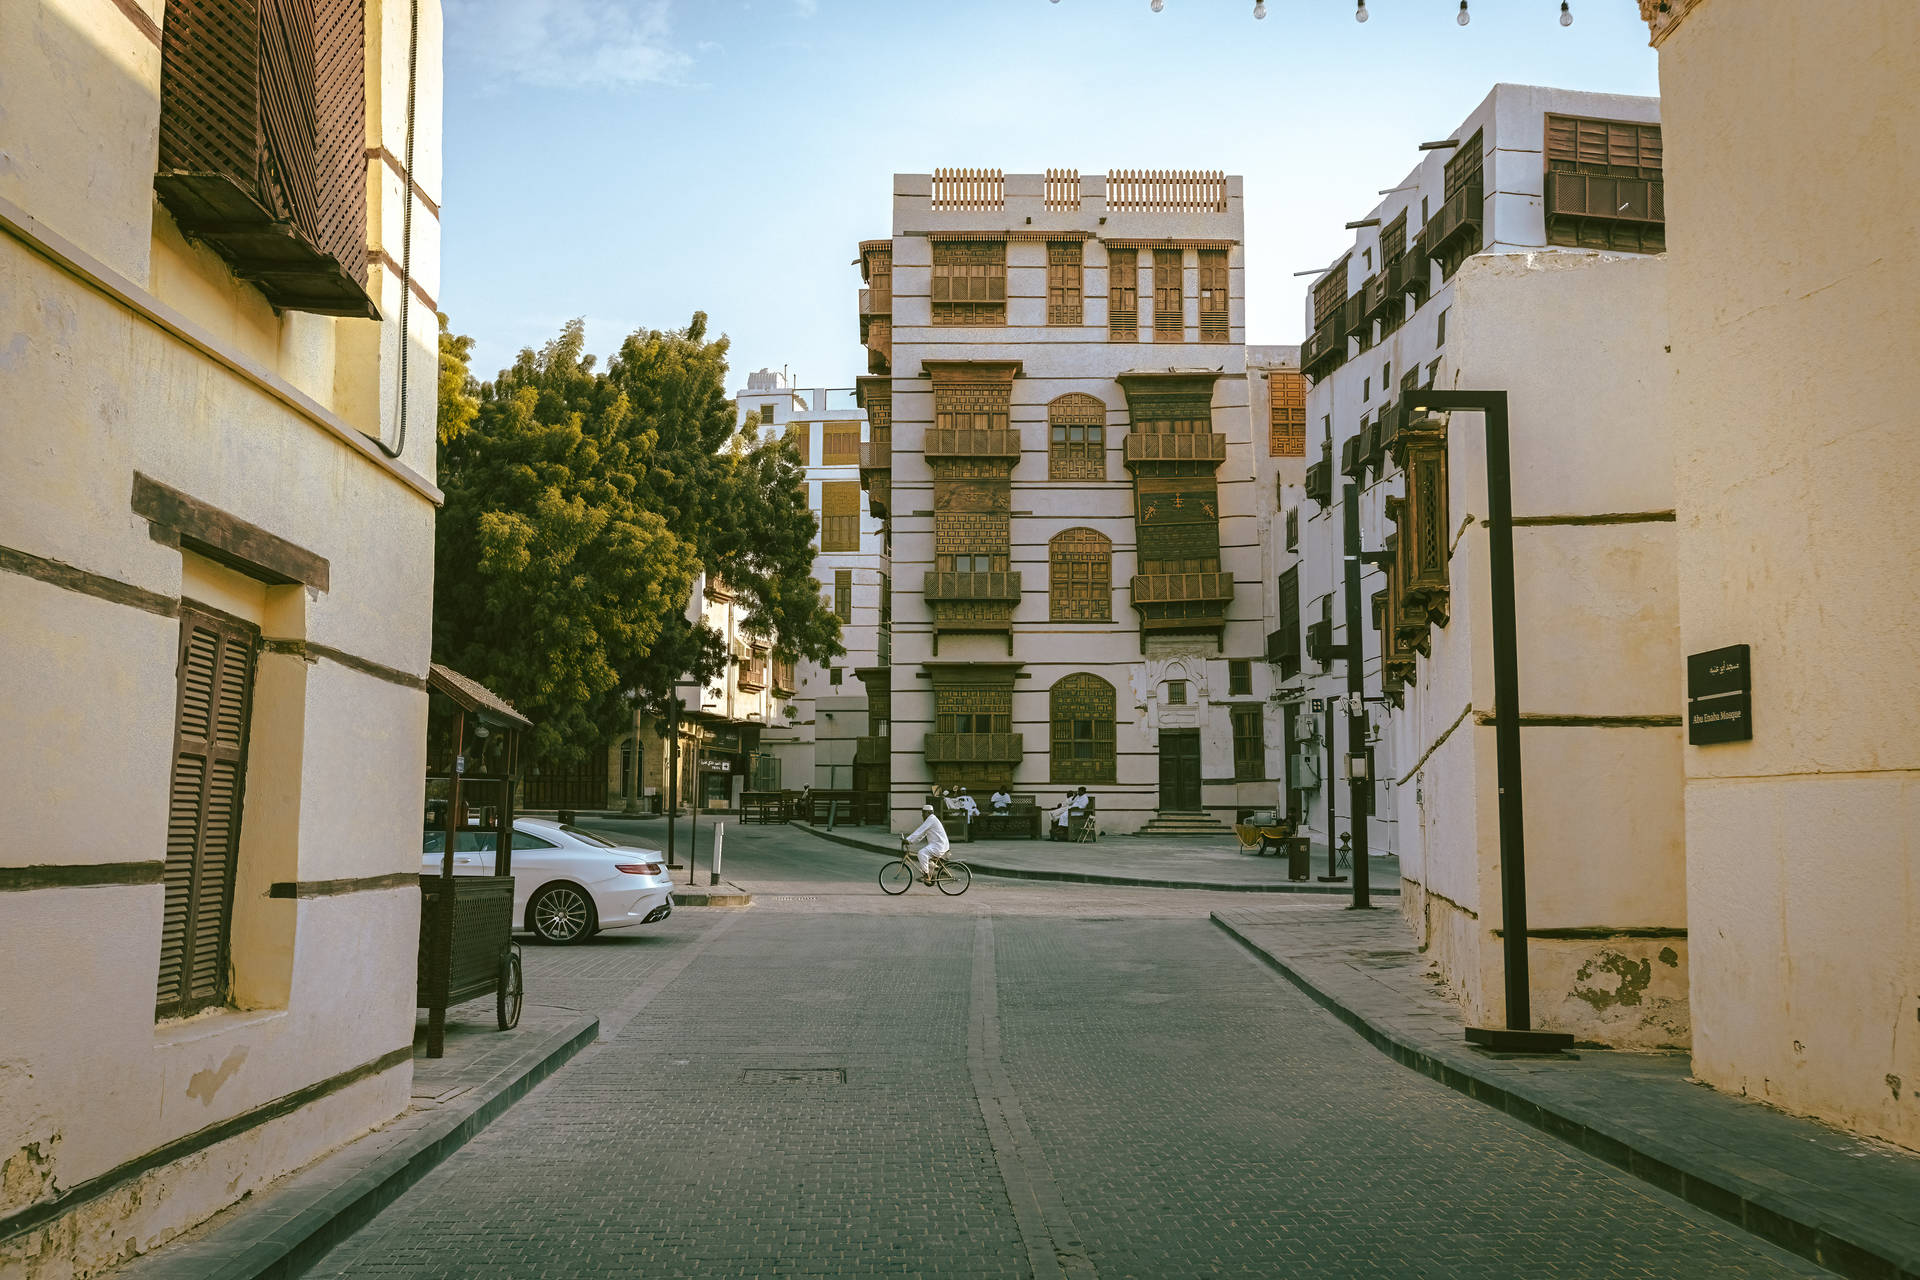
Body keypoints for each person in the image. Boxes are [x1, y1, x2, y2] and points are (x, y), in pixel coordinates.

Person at [905, 804, 949, 884]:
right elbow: (921, 835)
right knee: (926, 857)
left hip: (939, 845)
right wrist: (910, 842)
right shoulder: (931, 820)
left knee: (922, 853)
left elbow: (920, 830)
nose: (922, 815)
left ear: (928, 812)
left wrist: (908, 840)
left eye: (923, 813)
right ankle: (938, 870)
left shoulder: (931, 819)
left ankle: (926, 876)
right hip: (938, 845)